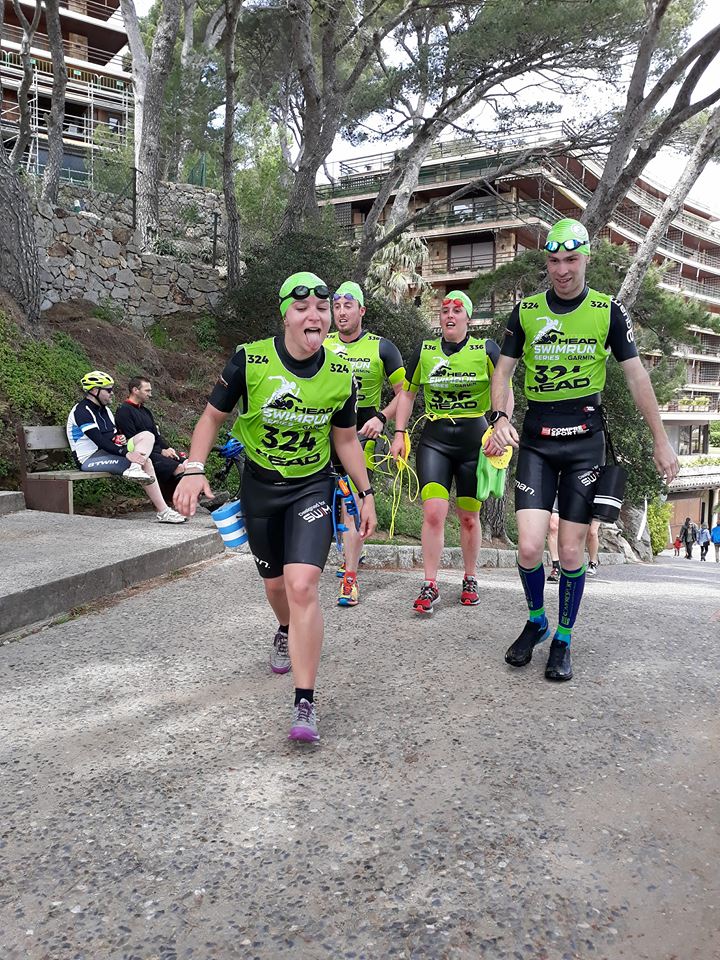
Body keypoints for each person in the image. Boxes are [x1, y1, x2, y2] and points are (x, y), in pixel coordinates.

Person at [174, 272, 377, 744]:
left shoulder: (340, 375)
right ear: (285, 314)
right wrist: (193, 468)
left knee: (302, 584)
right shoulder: (250, 360)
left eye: (322, 309)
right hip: (261, 489)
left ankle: (305, 700)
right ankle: (285, 627)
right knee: (275, 585)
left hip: (311, 487)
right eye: (303, 308)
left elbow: (346, 440)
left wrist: (365, 493)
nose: (315, 316)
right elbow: (211, 417)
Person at [485, 218, 679, 682]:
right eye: (554, 260)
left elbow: (636, 376)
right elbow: (503, 372)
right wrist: (499, 419)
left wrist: (660, 439)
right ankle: (537, 621)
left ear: (587, 258)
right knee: (529, 546)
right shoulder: (527, 312)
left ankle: (564, 638)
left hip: (584, 441)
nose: (562, 270)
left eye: (571, 259)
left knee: (571, 553)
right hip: (537, 438)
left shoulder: (608, 311)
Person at [390, 290, 507, 614]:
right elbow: (407, 395)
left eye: (457, 310)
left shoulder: (486, 349)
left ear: (468, 317)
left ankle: (470, 578)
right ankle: (430, 583)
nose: (450, 315)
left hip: (475, 441)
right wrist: (399, 433)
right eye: (444, 310)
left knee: (469, 517)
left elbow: (504, 388)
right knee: (433, 512)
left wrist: (501, 426)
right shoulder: (425, 350)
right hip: (435, 440)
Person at [325, 281, 405, 607]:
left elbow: (405, 394)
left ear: (361, 310)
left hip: (362, 432)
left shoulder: (382, 347)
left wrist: (383, 418)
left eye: (348, 306)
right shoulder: (322, 343)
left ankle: (350, 578)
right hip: (325, 430)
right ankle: (350, 552)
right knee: (325, 500)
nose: (342, 312)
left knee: (353, 500)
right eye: (337, 306)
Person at [67, 370, 187, 523]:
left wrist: (119, 438)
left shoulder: (106, 411)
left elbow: (111, 437)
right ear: (94, 391)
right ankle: (163, 511)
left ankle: (136, 468)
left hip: (107, 452)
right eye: (108, 390)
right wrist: (125, 452)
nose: (112, 393)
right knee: (146, 462)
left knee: (147, 436)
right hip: (88, 459)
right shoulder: (82, 411)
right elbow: (100, 441)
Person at [115, 377, 187, 494]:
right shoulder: (124, 410)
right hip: (140, 453)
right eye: (147, 391)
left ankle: (194, 498)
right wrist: (161, 451)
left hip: (156, 450)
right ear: (135, 390)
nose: (150, 394)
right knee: (177, 468)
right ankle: (176, 500)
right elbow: (131, 439)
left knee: (188, 463)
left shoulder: (146, 411)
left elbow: (156, 436)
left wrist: (167, 448)